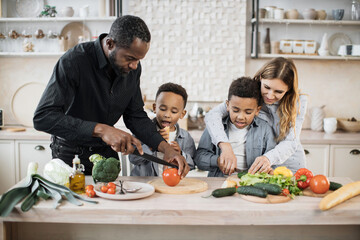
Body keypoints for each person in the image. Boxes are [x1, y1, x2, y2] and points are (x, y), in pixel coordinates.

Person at [33, 15, 189, 177]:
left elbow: (135, 116)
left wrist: (166, 149)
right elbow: (43, 117)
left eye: (138, 60)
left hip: (106, 154)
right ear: (110, 44)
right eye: (130, 58)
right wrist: (101, 130)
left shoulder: (133, 68)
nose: (135, 66)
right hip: (70, 155)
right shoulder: (74, 61)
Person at [204, 57, 307, 175]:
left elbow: (291, 142)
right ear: (261, 78)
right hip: (261, 168)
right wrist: (225, 146)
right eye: (267, 87)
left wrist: (268, 158)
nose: (270, 95)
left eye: (278, 92)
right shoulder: (252, 94)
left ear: (288, 90)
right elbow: (212, 115)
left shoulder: (298, 101)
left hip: (290, 165)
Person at [195, 77, 276, 177]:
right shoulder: (216, 127)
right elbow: (198, 159)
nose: (241, 117)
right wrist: (217, 161)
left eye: (248, 112)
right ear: (227, 105)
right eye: (236, 110)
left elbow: (273, 161)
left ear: (257, 110)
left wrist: (268, 169)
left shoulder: (265, 129)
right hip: (220, 181)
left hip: (252, 184)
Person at [129, 82, 196, 176]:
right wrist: (152, 144)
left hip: (170, 187)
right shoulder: (142, 131)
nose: (167, 115)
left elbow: (192, 165)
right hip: (145, 185)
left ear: (182, 114)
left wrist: (180, 153)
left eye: (174, 111)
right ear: (155, 108)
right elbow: (133, 159)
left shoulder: (185, 137)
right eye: (163, 109)